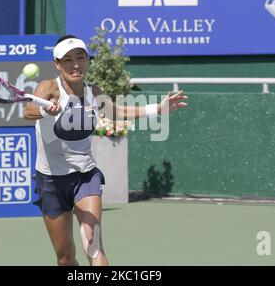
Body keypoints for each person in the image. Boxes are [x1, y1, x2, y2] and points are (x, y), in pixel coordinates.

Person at [23, 35, 188, 266]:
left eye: (81, 58)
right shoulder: (48, 88)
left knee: (93, 242)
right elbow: (28, 110)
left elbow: (116, 112)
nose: (76, 65)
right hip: (51, 180)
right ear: (58, 65)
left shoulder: (94, 91)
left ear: (88, 61)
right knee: (65, 258)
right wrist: (46, 111)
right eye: (68, 60)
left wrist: (157, 109)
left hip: (84, 176)